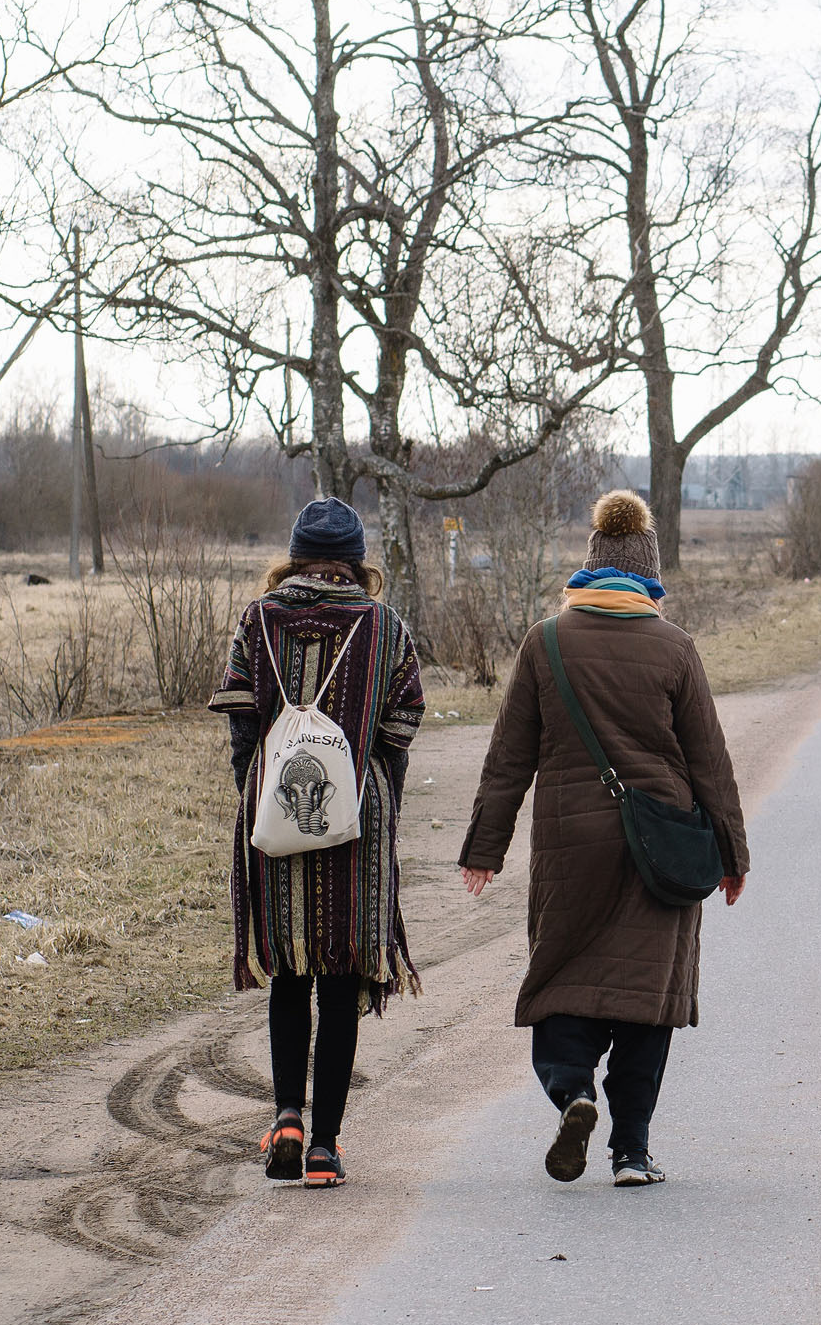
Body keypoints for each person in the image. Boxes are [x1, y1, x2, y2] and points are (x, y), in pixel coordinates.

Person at [457, 490, 749, 1187]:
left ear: (588, 569)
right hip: (663, 849)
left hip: (571, 847)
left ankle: (573, 1092)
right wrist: (732, 856)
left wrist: (484, 850)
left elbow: (509, 758)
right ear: (650, 578)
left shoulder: (546, 642)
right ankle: (631, 1152)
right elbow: (710, 762)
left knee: (562, 978)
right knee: (646, 997)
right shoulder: (675, 648)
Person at [210, 498, 424, 1189]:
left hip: (273, 820)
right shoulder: (384, 627)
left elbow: (241, 722)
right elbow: (401, 725)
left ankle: (287, 1120)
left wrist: (257, 792)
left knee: (288, 972)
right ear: (356, 563)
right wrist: (380, 799)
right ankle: (326, 1148)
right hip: (356, 825)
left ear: (295, 558)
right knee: (339, 979)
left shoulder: (259, 620)